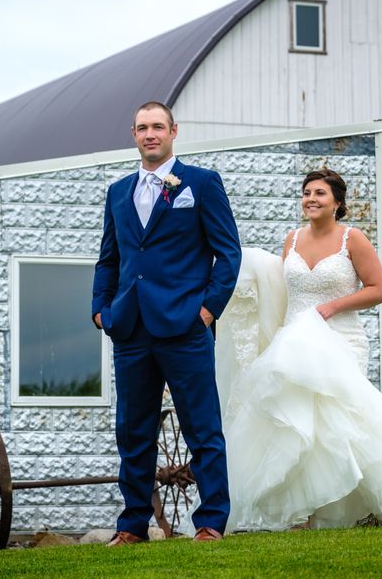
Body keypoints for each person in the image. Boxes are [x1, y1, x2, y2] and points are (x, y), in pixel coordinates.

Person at [216, 169, 382, 531]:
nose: (311, 199)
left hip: (340, 337)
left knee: (339, 420)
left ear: (337, 202)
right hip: (295, 341)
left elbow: (378, 290)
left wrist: (331, 307)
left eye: (320, 193)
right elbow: (282, 290)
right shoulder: (292, 240)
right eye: (306, 193)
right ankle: (300, 512)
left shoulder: (352, 239)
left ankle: (364, 504)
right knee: (295, 422)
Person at [92, 101, 242, 545]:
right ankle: (132, 525)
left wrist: (207, 310)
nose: (150, 134)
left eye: (158, 126)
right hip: (130, 329)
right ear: (134, 135)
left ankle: (211, 521)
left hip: (185, 327)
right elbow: (109, 258)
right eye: (142, 128)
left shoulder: (202, 183)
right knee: (133, 431)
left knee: (202, 428)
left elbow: (228, 253)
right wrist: (101, 309)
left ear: (173, 131)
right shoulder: (118, 192)